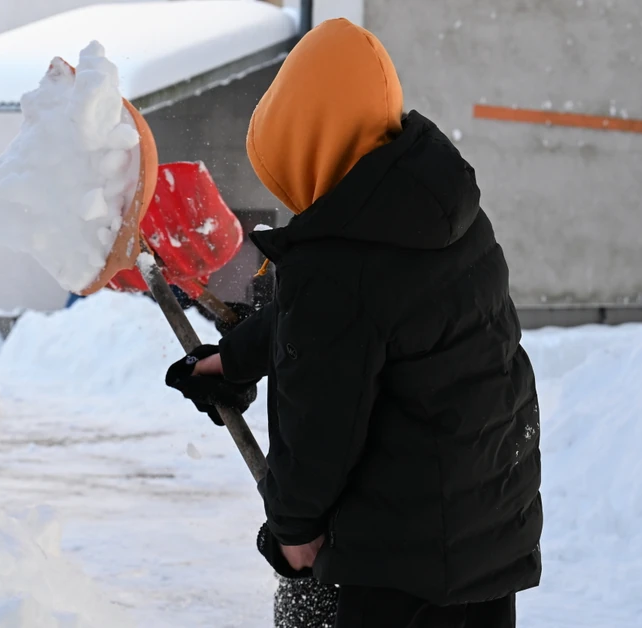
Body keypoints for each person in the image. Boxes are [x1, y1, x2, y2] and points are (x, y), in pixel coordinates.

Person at [165, 19, 542, 628]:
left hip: (396, 563)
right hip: (483, 535)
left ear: (311, 145)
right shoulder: (438, 213)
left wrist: (293, 530)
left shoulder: (337, 267)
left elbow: (323, 425)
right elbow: (355, 323)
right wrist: (234, 358)